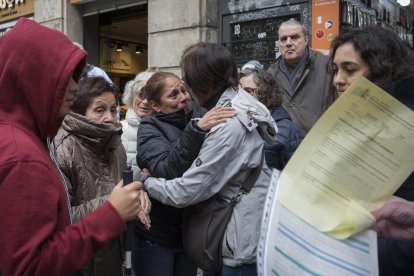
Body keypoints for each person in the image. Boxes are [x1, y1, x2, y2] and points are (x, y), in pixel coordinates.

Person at [0, 18, 142, 276]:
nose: (75, 87)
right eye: (63, 77)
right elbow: (27, 268)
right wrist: (110, 214)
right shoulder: (22, 155)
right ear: (33, 77)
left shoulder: (25, 137)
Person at [139, 42, 277, 276]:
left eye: (186, 85)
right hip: (238, 231)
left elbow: (185, 191)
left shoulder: (227, 121)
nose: (185, 95)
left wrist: (147, 182)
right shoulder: (238, 105)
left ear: (199, 84)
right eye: (174, 93)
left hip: (238, 241)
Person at [329, 25, 414, 276]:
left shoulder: (404, 124)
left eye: (350, 69)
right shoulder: (354, 120)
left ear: (381, 67)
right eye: (335, 69)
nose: (338, 80)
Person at [133, 71, 235, 276]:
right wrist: (196, 130)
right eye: (173, 95)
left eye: (183, 90)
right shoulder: (149, 127)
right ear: (156, 106)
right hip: (157, 236)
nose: (184, 97)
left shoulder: (196, 115)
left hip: (188, 232)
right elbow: (166, 171)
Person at [54, 76, 151, 275]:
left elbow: (122, 186)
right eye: (99, 110)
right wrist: (114, 205)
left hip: (114, 256)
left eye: (113, 109)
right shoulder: (61, 149)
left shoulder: (115, 144)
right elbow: (59, 219)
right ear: (79, 113)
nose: (109, 117)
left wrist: (138, 192)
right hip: (79, 263)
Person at [267, 18, 332, 135]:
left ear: (306, 40)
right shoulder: (270, 73)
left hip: (319, 143)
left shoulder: (327, 66)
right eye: (283, 39)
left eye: (295, 37)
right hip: (285, 147)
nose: (288, 43)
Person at [239, 68, 304, 170]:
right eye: (238, 91)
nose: (241, 96)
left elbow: (296, 173)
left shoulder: (286, 130)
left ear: (265, 91)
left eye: (248, 91)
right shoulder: (238, 121)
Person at [121, 70, 156, 180]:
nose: (145, 101)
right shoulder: (117, 129)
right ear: (131, 97)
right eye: (141, 94)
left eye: (150, 96)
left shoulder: (165, 129)